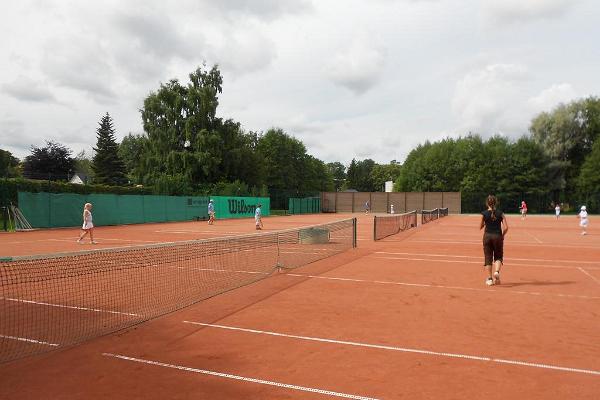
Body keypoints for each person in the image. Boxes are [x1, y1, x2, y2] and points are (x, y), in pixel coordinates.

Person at [480, 195, 508, 286]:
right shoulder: (501, 213)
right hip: (497, 237)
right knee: (498, 256)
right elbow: (506, 227)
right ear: (496, 202)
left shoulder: (484, 214)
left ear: (487, 203)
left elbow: (480, 227)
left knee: (488, 257)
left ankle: (490, 279)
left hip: (487, 236)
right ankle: (496, 272)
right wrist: (502, 235)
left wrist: (485, 223)